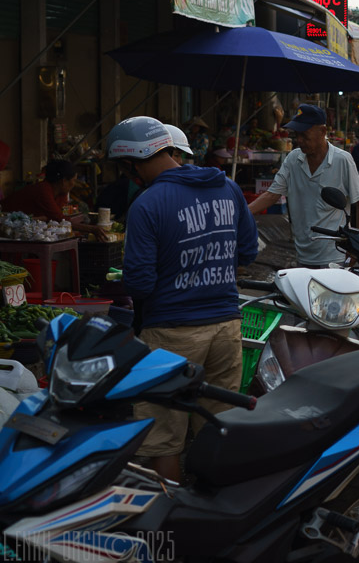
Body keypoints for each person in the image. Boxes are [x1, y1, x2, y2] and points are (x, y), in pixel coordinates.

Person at [107, 116, 257, 482]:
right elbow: (248, 251)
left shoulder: (147, 204)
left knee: (162, 437)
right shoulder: (228, 187)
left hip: (171, 334)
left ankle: (169, 522)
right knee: (217, 425)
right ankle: (218, 511)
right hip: (226, 327)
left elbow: (139, 283)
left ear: (132, 163)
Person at [248, 104, 359, 267]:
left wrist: (357, 245)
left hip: (335, 255)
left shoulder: (342, 160)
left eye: (304, 135)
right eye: (297, 135)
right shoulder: (293, 159)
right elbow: (271, 195)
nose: (300, 141)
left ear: (323, 131)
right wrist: (242, 213)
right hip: (303, 255)